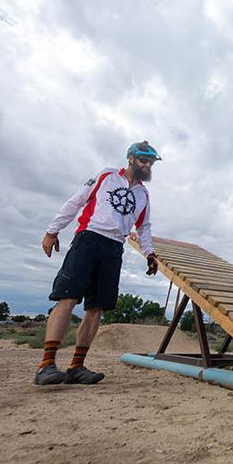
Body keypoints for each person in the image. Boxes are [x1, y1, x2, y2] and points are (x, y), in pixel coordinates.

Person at [34, 141, 162, 385]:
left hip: (114, 247)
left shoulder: (143, 194)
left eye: (151, 162)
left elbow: (144, 227)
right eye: (143, 160)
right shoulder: (106, 175)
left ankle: (76, 367)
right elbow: (77, 201)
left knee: (96, 308)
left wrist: (150, 254)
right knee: (68, 298)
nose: (147, 165)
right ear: (131, 159)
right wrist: (52, 231)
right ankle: (46, 365)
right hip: (89, 238)